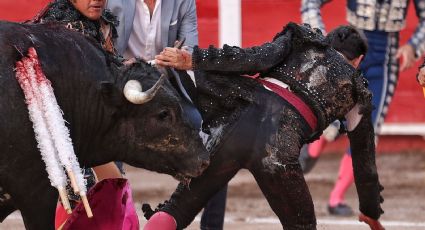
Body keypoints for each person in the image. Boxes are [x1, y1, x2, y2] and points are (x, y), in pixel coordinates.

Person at [148, 23, 384, 230]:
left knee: (178, 209)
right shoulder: (356, 90)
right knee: (302, 226)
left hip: (237, 124)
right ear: (358, 61)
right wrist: (370, 211)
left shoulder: (301, 40)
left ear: (327, 41)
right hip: (279, 145)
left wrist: (194, 60)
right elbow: (364, 159)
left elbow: (253, 57)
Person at [106, 1, 227, 229]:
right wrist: (120, 65)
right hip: (121, 89)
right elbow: (100, 48)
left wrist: (180, 57)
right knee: (106, 153)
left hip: (167, 89)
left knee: (215, 140)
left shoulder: (183, 1)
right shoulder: (113, 1)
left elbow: (190, 51)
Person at [300, 0, 425, 216]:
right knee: (332, 113)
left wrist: (414, 45)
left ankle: (336, 198)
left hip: (386, 57)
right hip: (349, 50)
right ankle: (311, 151)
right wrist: (320, 38)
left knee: (369, 126)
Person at [30, 0, 132, 228]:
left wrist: (126, 68)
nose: (96, 0)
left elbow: (108, 71)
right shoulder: (56, 26)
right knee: (82, 195)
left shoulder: (104, 23)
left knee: (113, 189)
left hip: (93, 124)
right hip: (59, 127)